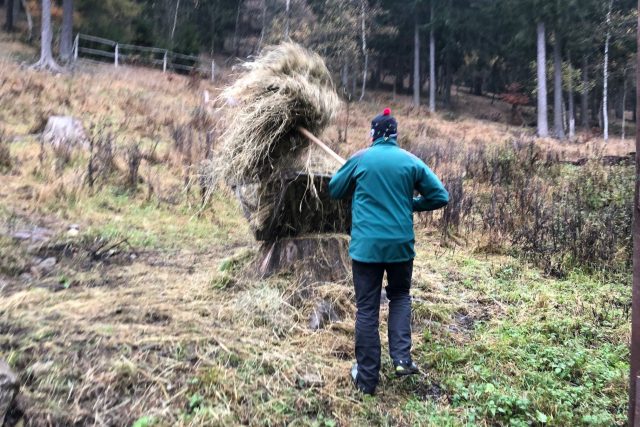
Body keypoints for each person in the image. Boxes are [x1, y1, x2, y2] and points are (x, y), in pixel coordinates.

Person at [328, 108, 449, 395]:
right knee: (400, 297)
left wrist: (355, 184)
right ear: (395, 135)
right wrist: (410, 204)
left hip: (366, 249)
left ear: (373, 135)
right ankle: (402, 359)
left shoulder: (360, 159)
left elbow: (334, 189)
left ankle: (367, 379)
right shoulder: (411, 161)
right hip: (400, 248)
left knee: (367, 308)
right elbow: (440, 196)